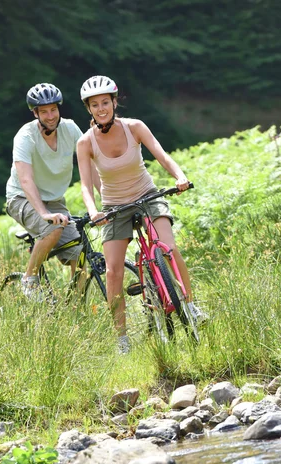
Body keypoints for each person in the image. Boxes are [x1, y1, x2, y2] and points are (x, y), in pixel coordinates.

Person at [76, 75, 204, 353]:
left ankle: (192, 307)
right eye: (95, 105)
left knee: (168, 247)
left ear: (114, 102)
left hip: (147, 194)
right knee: (112, 272)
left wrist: (180, 176)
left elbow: (161, 154)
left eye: (105, 103)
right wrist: (93, 211)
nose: (101, 109)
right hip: (114, 207)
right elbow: (86, 186)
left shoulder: (134, 127)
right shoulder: (85, 142)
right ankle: (122, 338)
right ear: (89, 109)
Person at [6, 82, 84, 300]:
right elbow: (26, 179)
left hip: (55, 200)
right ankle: (29, 279)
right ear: (35, 113)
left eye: (54, 109)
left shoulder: (70, 129)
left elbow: (91, 160)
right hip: (21, 197)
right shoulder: (25, 136)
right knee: (51, 229)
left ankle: (74, 311)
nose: (50, 115)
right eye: (44, 111)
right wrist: (44, 214)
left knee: (81, 255)